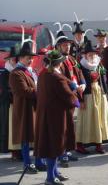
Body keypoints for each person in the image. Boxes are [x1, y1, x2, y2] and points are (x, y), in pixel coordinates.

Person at [35, 50, 79, 185]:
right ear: (59, 63)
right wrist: (75, 97)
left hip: (46, 114)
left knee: (52, 145)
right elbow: (68, 96)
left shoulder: (43, 74)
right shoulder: (55, 77)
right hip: (56, 116)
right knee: (54, 145)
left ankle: (55, 173)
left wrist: (70, 85)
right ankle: (50, 177)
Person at [9, 39, 46, 173]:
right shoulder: (16, 73)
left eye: (31, 58)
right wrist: (41, 91)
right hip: (24, 109)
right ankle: (27, 163)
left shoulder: (32, 71)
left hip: (36, 107)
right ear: (21, 58)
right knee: (25, 137)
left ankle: (39, 161)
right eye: (27, 58)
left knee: (37, 136)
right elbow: (23, 91)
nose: (30, 60)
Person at [75, 41, 108, 154]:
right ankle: (80, 144)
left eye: (93, 54)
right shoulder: (80, 65)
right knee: (86, 120)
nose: (92, 56)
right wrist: (80, 100)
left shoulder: (98, 64)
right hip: (87, 96)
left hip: (99, 94)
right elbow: (78, 83)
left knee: (99, 119)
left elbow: (104, 79)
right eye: (89, 54)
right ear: (85, 55)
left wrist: (105, 94)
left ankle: (98, 144)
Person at [55, 30, 85, 167]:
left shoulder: (72, 59)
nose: (67, 47)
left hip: (73, 95)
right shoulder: (57, 61)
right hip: (63, 98)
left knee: (70, 126)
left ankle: (66, 151)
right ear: (58, 47)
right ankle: (60, 153)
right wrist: (73, 86)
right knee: (62, 127)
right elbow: (59, 78)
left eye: (68, 45)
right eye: (64, 45)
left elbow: (79, 72)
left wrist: (83, 83)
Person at [0, 46, 17, 154]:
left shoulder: (14, 72)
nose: (15, 62)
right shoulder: (5, 73)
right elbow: (7, 89)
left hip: (12, 101)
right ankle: (4, 146)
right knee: (5, 124)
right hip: (6, 102)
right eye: (13, 60)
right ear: (10, 61)